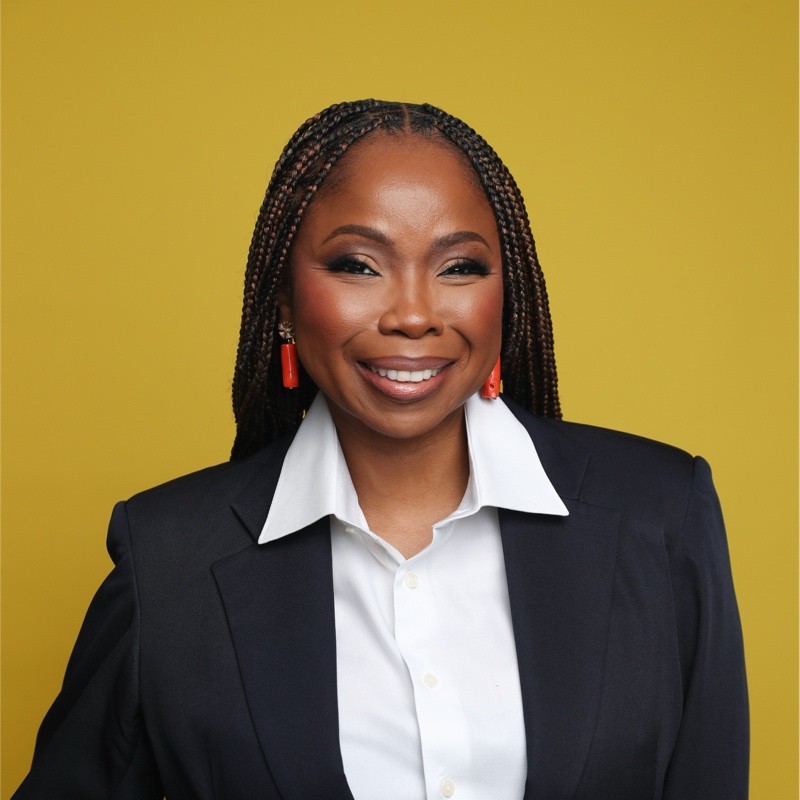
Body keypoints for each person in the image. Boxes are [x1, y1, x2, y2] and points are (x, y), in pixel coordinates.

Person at [13, 100, 748, 800]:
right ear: (283, 301)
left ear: (507, 294)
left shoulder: (661, 515)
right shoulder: (169, 561)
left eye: (459, 267)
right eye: (358, 265)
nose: (413, 315)